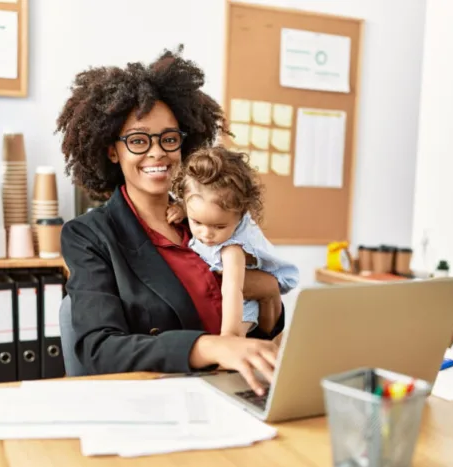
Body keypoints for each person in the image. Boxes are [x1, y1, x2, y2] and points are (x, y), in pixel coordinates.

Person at [56, 47, 284, 395]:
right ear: (111, 150)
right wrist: (209, 346)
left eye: (169, 138)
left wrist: (271, 296)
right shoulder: (90, 236)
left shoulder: (208, 214)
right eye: (137, 140)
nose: (157, 151)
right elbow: (99, 349)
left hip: (236, 389)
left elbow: (256, 326)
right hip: (157, 398)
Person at [167, 146, 299, 338]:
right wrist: (181, 210)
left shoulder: (233, 249)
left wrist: (229, 336)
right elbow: (197, 205)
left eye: (219, 226)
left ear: (240, 215)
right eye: (197, 222)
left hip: (244, 305)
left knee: (236, 337)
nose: (206, 234)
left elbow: (233, 290)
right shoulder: (200, 204)